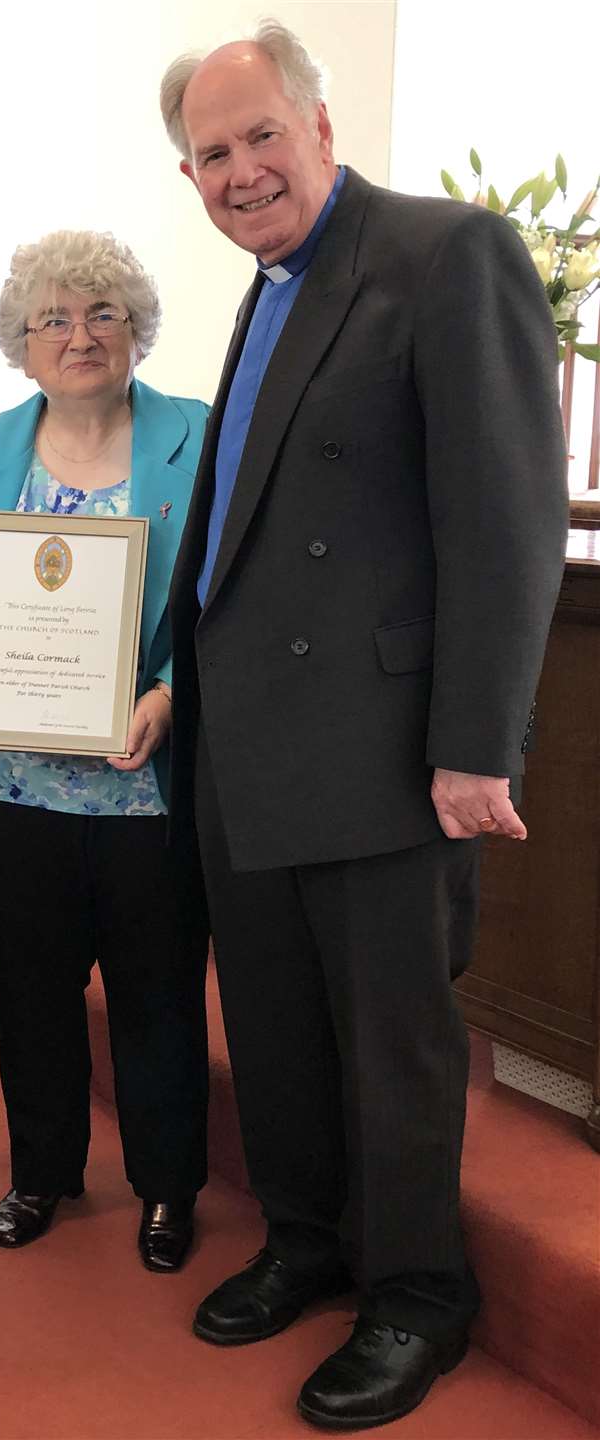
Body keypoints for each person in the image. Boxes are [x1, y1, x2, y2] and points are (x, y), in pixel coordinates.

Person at [158, 19, 568, 1429]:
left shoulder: (447, 256)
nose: (241, 169)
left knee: (392, 1043)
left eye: (260, 134)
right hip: (246, 741)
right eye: (210, 154)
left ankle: (417, 1296)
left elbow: (504, 526)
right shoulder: (267, 286)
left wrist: (476, 745)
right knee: (271, 1025)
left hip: (388, 755)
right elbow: (240, 527)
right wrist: (175, 680)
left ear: (321, 127)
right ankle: (310, 1238)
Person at [0, 231, 210, 1270]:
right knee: (28, 989)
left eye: (103, 314)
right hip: (14, 787)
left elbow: (229, 608)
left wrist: (169, 695)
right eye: (54, 320)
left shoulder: (197, 442)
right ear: (22, 344)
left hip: (144, 790)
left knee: (157, 996)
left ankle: (168, 1188)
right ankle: (41, 1172)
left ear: (136, 330)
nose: (80, 336)